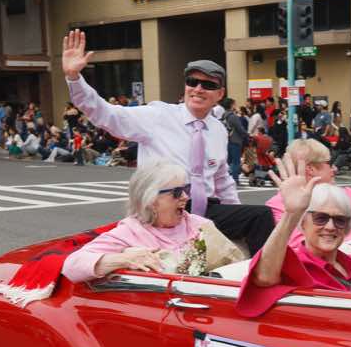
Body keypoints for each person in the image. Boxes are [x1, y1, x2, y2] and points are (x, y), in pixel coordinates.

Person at [62, 29, 273, 254]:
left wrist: (237, 216)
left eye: (208, 85)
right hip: (164, 208)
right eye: (192, 81)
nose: (198, 89)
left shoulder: (218, 129)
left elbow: (222, 181)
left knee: (260, 218)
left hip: (206, 209)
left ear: (220, 94)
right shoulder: (158, 115)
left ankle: (262, 272)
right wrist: (74, 78)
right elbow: (106, 114)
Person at [63, 164, 214, 283]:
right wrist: (124, 260)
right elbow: (72, 266)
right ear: (150, 200)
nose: (186, 196)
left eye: (187, 189)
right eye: (177, 192)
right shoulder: (129, 232)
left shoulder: (200, 224)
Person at [236, 165, 351, 317]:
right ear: (303, 223)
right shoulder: (295, 264)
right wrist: (292, 214)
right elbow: (264, 278)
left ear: (347, 227)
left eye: (340, 220)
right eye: (320, 218)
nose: (330, 227)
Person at [222, 98, 247, 183]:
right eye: (234, 104)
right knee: (236, 161)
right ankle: (235, 179)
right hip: (235, 140)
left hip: (226, 140)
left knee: (228, 161)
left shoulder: (224, 115)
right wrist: (247, 135)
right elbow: (240, 129)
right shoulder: (233, 116)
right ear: (231, 105)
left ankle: (226, 178)